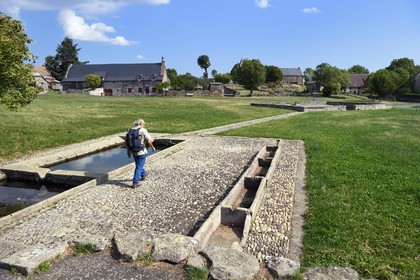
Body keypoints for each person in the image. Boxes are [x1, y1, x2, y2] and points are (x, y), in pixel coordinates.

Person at [129, 119, 155, 188]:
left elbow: (128, 142)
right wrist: (153, 147)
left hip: (134, 151)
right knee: (139, 166)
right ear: (140, 123)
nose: (144, 125)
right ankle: (135, 182)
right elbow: (149, 141)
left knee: (139, 165)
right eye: (144, 123)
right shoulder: (143, 130)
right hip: (142, 151)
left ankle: (143, 175)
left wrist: (129, 151)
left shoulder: (131, 130)